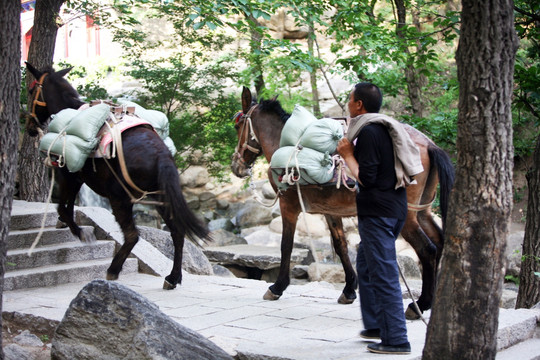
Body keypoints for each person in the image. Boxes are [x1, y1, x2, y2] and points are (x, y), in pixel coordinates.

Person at [337, 82, 417, 355]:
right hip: (395, 208)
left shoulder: (369, 132)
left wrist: (347, 155)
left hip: (378, 212)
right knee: (366, 263)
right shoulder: (384, 127)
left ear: (359, 104)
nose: (348, 104)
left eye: (350, 100)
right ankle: (374, 326)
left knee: (383, 274)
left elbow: (367, 179)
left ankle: (396, 339)